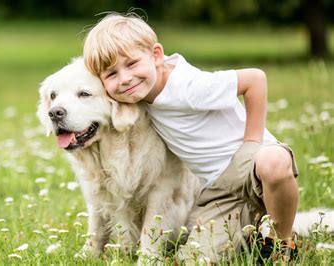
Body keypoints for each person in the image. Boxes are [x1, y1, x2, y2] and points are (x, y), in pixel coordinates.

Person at [83, 12, 299, 263]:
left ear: (156, 55)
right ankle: (252, 229)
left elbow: (255, 79)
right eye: (111, 74)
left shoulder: (188, 87)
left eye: (131, 64)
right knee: (192, 259)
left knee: (272, 161)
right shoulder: (139, 98)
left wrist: (251, 144)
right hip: (218, 190)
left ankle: (281, 244)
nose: (125, 79)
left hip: (250, 165)